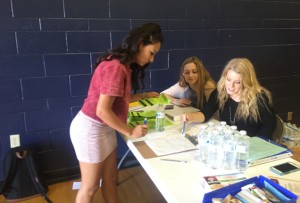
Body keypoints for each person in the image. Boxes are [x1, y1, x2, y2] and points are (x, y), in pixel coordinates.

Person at [69, 23, 163, 203]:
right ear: (141, 43)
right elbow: (102, 110)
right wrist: (129, 131)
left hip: (104, 128)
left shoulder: (124, 65)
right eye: (152, 53)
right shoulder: (116, 67)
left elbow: (117, 98)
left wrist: (144, 95)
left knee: (111, 180)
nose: (152, 60)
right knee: (90, 188)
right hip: (90, 129)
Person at [185, 58, 276, 139]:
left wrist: (254, 145)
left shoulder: (260, 97)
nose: (231, 86)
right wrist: (190, 117)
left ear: (246, 82)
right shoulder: (220, 92)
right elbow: (206, 113)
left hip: (251, 144)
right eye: (228, 80)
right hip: (231, 141)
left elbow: (269, 127)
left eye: (237, 82)